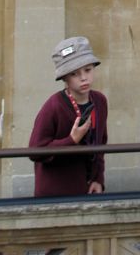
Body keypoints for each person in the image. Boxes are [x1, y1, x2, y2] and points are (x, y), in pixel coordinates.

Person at [29, 36, 108, 197]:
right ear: (64, 78)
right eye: (74, 74)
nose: (83, 78)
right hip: (54, 194)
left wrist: (98, 179)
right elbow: (35, 151)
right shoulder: (53, 106)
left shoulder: (99, 101)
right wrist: (71, 140)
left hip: (87, 191)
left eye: (88, 70)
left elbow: (101, 144)